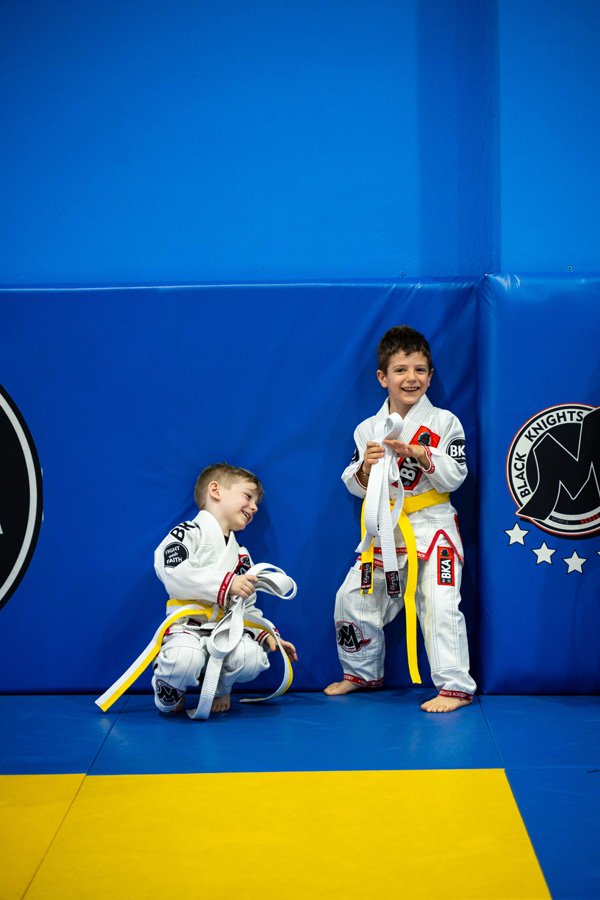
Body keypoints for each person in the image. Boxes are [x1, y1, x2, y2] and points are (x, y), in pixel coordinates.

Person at [325, 325, 476, 712]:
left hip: (434, 530)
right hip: (385, 531)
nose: (412, 378)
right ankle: (361, 673)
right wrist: (365, 467)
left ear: (430, 375)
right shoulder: (367, 429)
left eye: (420, 370)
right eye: (401, 370)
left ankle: (455, 688)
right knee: (352, 599)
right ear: (383, 377)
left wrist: (423, 455)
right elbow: (355, 485)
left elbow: (456, 476)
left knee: (439, 605)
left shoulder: (445, 422)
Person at [152, 463, 297, 714]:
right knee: (182, 659)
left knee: (252, 657)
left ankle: (220, 685)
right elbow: (173, 573)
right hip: (187, 627)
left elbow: (246, 606)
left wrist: (267, 634)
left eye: (256, 503)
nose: (254, 507)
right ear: (215, 490)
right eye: (248, 496)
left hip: (226, 632)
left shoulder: (241, 554)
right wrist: (227, 583)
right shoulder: (186, 533)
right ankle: (170, 686)